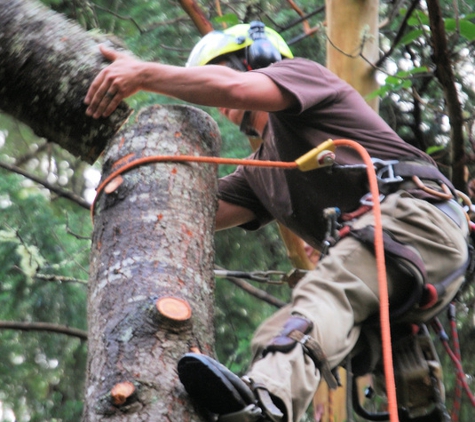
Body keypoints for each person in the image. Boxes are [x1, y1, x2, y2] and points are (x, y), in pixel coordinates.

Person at [85, 22, 470, 422]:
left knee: (327, 294)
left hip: (418, 220)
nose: (218, 101)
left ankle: (266, 402)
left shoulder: (303, 76)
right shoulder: (261, 172)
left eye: (219, 70)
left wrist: (142, 74)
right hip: (397, 265)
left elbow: (235, 89)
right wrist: (124, 195)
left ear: (260, 60)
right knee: (282, 330)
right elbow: (189, 210)